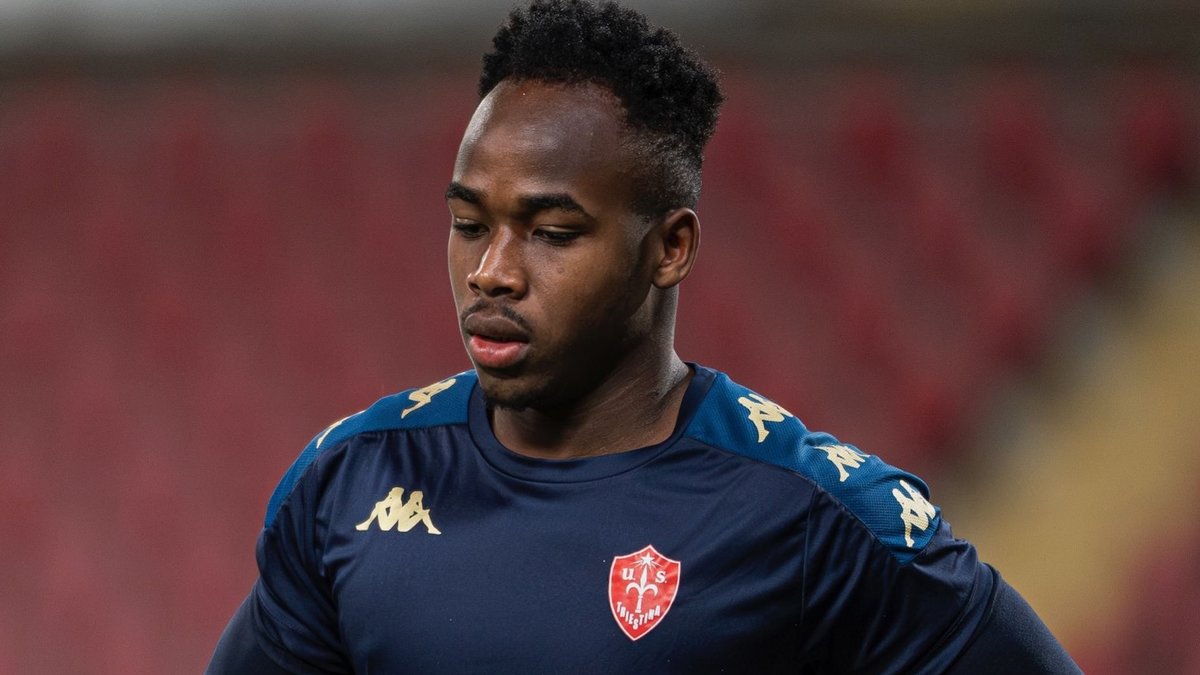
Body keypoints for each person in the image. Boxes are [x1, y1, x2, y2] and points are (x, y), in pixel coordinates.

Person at [208, 1, 1081, 672]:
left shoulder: (815, 516)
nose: (492, 271)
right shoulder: (348, 482)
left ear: (670, 248)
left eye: (552, 233)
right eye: (469, 224)